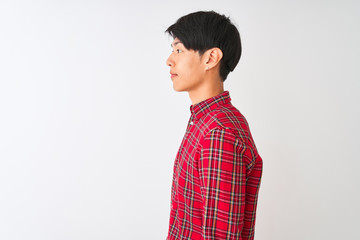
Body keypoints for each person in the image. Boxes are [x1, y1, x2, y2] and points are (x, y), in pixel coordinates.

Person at [165, 11, 263, 240]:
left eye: (179, 50)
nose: (169, 59)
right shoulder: (204, 120)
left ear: (210, 58)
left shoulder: (218, 132)